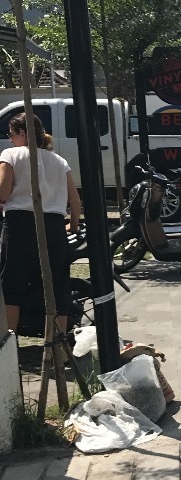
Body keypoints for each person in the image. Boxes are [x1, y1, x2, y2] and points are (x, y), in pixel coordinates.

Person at [0, 112, 81, 334]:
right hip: (54, 227)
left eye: (11, 134)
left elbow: (3, 192)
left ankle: (10, 345)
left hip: (20, 225)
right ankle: (58, 346)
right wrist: (73, 226)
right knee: (57, 286)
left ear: (22, 133)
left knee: (12, 285)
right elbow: (75, 201)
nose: (10, 139)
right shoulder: (59, 161)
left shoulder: (11, 154)